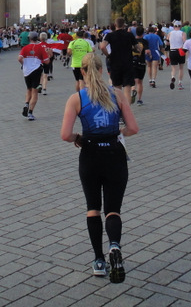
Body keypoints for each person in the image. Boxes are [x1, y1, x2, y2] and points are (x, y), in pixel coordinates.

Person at [60, 52, 139, 283]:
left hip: (90, 154)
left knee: (93, 208)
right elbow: (133, 128)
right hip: (115, 153)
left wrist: (78, 138)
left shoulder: (77, 98)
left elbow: (65, 135)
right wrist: (118, 133)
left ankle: (98, 260)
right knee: (113, 209)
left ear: (82, 72)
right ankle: (115, 246)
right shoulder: (117, 95)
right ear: (102, 70)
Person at [100, 18, 136, 105]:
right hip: (127, 64)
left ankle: (119, 110)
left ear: (115, 25)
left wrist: (108, 55)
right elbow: (138, 47)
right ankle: (127, 111)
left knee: (117, 89)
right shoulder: (129, 35)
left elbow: (102, 47)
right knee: (127, 89)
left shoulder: (110, 35)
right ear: (124, 25)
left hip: (115, 64)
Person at [18, 31, 50, 121]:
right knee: (35, 92)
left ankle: (26, 104)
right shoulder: (40, 47)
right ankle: (30, 113)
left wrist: (23, 64)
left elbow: (19, 58)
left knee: (28, 89)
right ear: (37, 38)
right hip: (36, 70)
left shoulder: (25, 48)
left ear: (29, 38)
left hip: (26, 71)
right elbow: (47, 61)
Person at [130, 27, 149, 105]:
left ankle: (133, 89)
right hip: (141, 63)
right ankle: (139, 100)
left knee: (133, 80)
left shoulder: (131, 41)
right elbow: (147, 51)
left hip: (132, 62)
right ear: (143, 33)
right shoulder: (144, 41)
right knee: (140, 82)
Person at [166, 21, 186, 90]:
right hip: (180, 51)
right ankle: (180, 83)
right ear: (180, 26)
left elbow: (167, 43)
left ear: (174, 26)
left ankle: (173, 77)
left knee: (173, 67)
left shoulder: (170, 33)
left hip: (172, 51)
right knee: (181, 67)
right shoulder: (182, 33)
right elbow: (184, 42)